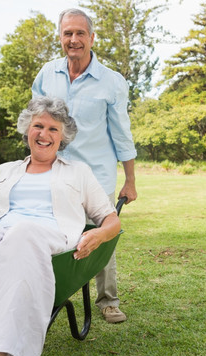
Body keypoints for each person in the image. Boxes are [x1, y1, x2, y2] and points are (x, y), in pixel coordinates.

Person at [0, 96, 121, 356]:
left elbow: (112, 220)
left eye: (53, 129)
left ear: (62, 136)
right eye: (38, 126)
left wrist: (99, 234)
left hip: (46, 241)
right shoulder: (6, 170)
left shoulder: (78, 172)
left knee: (23, 233)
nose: (44, 134)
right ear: (27, 129)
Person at [32, 8, 137, 324]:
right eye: (68, 33)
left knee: (101, 233)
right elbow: (36, 125)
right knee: (44, 232)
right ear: (60, 37)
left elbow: (121, 133)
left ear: (92, 38)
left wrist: (130, 180)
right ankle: (40, 292)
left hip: (96, 176)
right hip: (54, 173)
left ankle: (108, 300)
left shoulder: (111, 82)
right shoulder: (47, 75)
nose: (73, 39)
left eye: (80, 33)